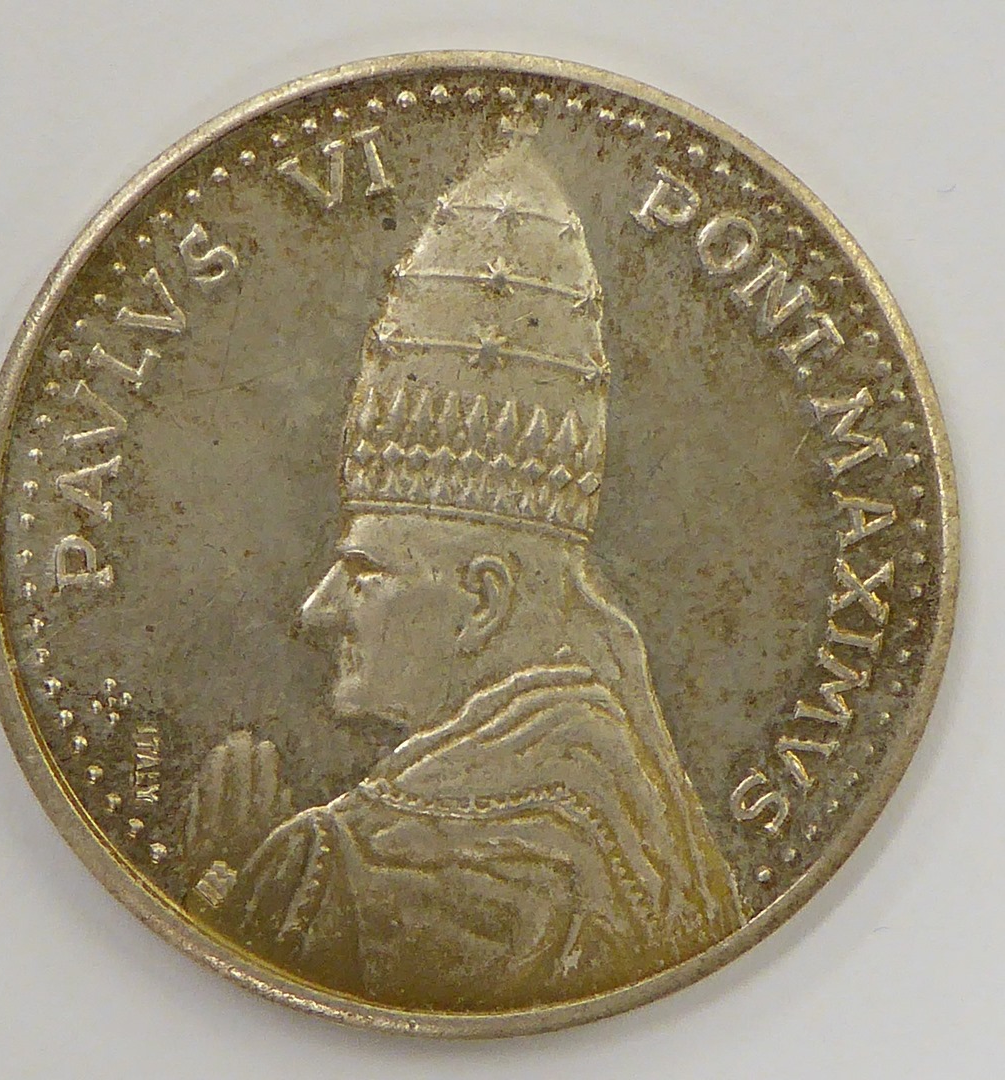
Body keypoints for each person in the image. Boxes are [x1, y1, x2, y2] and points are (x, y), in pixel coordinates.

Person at [183, 135, 744, 1010]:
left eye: (365, 572)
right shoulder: (638, 821)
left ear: (482, 601)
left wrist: (230, 881)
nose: (318, 610)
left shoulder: (343, 868)